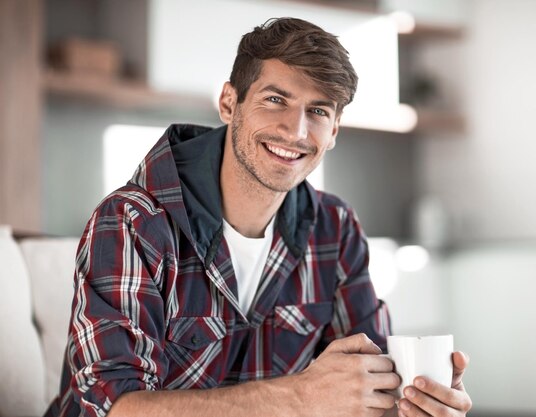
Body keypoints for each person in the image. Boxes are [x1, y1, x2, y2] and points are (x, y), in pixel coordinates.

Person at [45, 17, 472, 417]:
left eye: (319, 111)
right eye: (275, 100)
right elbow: (116, 408)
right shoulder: (133, 222)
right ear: (230, 103)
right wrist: (299, 395)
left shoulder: (335, 230)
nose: (296, 131)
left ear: (335, 130)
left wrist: (418, 401)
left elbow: (371, 389)